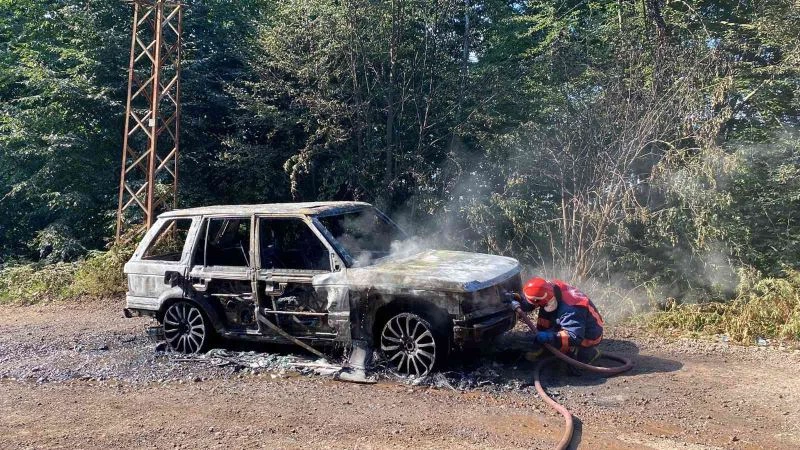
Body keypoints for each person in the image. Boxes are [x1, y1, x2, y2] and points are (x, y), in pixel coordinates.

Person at [511, 277, 604, 371]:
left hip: (587, 335)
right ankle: (547, 348)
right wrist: (519, 301)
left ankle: (589, 353)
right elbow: (534, 301)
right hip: (572, 322)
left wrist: (549, 337)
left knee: (576, 362)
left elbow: (574, 336)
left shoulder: (571, 308)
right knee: (546, 312)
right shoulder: (549, 290)